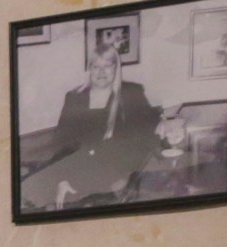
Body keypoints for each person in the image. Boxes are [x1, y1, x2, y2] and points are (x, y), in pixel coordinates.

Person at [19, 51, 160, 212]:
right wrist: (63, 177)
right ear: (89, 69)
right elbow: (61, 141)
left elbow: (147, 130)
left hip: (114, 165)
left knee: (67, 201)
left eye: (107, 66)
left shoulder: (131, 93)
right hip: (74, 163)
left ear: (116, 68)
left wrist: (164, 122)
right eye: (96, 66)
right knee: (28, 189)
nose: (101, 72)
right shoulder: (74, 97)